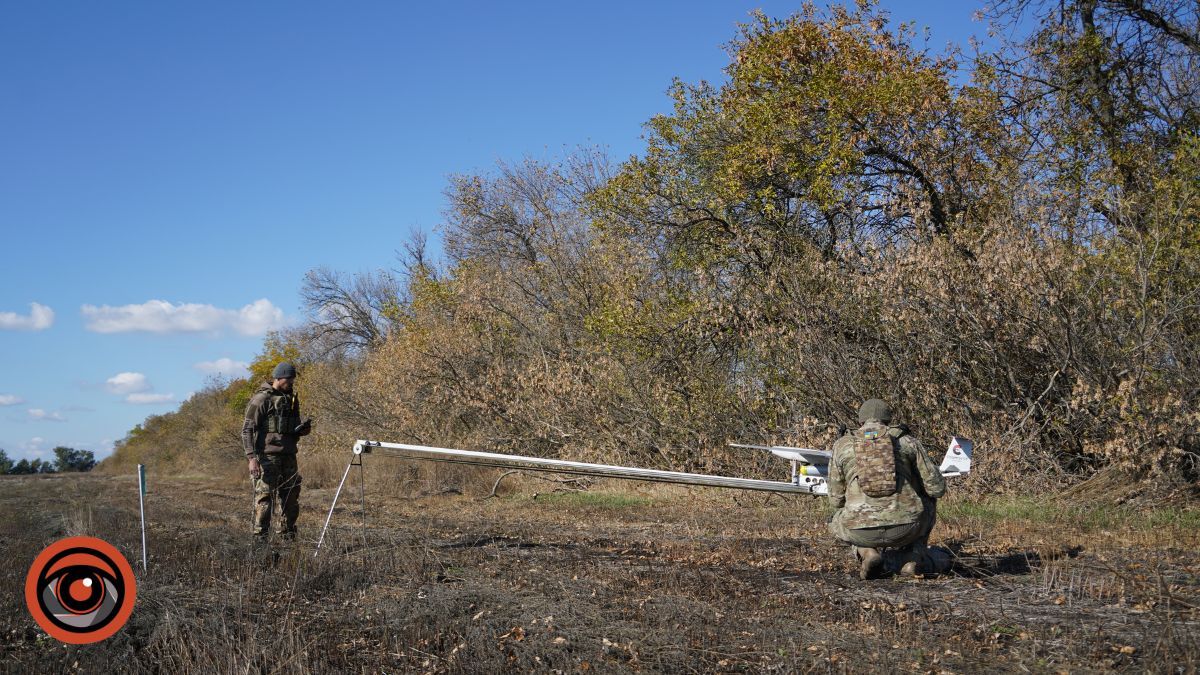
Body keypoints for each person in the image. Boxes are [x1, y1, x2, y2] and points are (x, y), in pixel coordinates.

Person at [827, 399, 946, 579]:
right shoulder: (907, 441)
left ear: (860, 421)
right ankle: (912, 558)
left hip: (859, 531)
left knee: (834, 519)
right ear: (889, 421)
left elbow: (835, 500)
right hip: (907, 529)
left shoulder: (842, 445)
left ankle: (867, 552)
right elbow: (937, 489)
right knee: (929, 501)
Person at [243, 362, 311, 542]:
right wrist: (252, 458)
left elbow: (292, 428)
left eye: (293, 379)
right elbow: (247, 429)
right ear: (279, 377)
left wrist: (303, 430)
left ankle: (288, 537)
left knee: (291, 498)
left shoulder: (291, 399)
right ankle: (260, 540)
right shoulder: (261, 399)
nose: (292, 382)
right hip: (267, 457)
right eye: (289, 379)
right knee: (264, 499)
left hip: (289, 456)